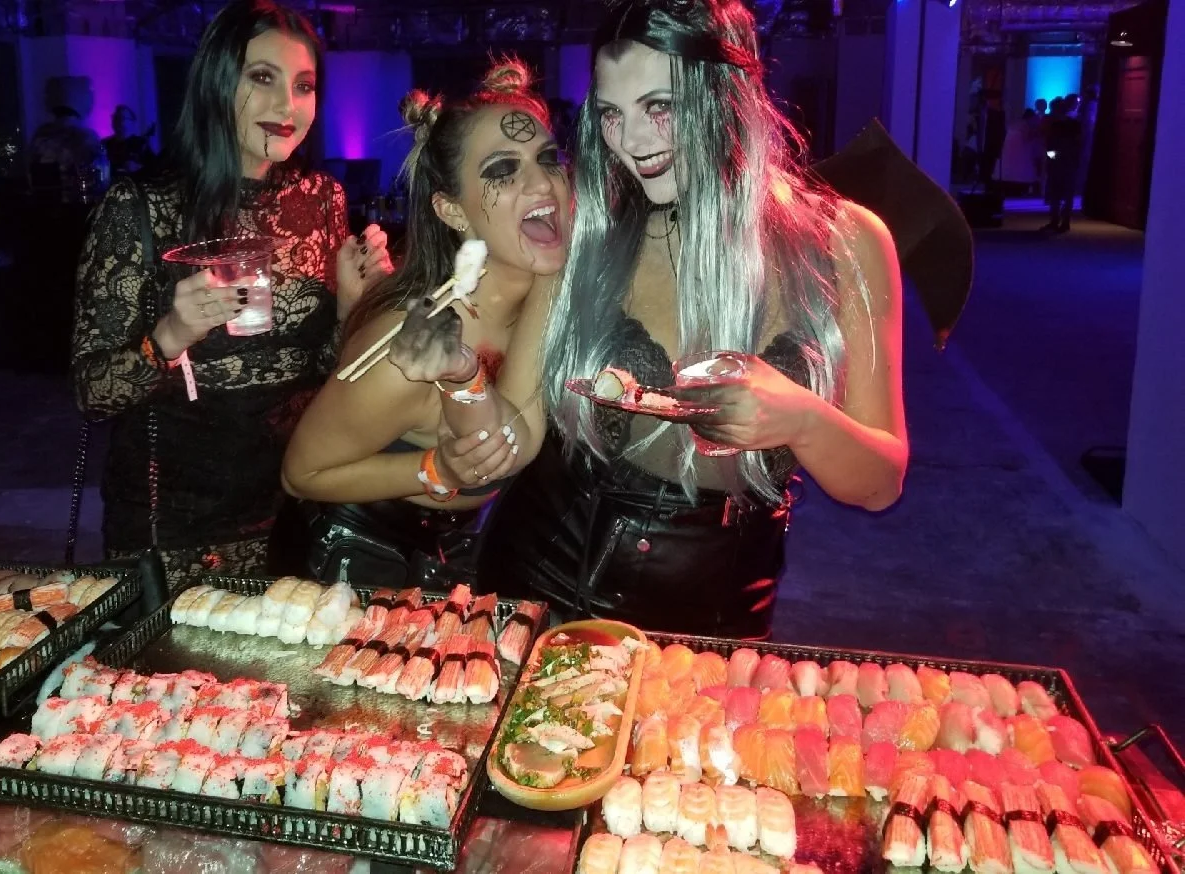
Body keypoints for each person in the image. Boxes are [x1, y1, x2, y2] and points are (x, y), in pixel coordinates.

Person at [438, 0, 908, 638]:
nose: (631, 142)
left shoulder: (845, 243)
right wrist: (463, 403)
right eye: (611, 114)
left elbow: (879, 483)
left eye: (659, 106)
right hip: (544, 581)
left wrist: (801, 417)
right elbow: (516, 431)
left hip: (714, 609)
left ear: (727, 93)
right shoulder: (594, 234)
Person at [72, 0, 392, 583]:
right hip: (172, 523)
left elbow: (326, 372)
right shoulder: (140, 207)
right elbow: (92, 393)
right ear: (218, 83)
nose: (286, 107)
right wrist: (170, 336)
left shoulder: (322, 200)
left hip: (295, 505)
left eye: (304, 86)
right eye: (262, 78)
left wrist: (353, 308)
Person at [271, 59, 569, 589]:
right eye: (503, 169)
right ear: (453, 211)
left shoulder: (545, 286)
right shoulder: (407, 348)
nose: (542, 181)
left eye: (549, 158)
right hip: (349, 558)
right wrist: (437, 470)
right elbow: (301, 474)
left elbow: (519, 437)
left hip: (452, 548)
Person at [27, 76, 109, 201]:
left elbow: (31, 174)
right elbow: (101, 179)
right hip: (77, 206)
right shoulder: (87, 137)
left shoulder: (39, 135)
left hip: (45, 208)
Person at [1043, 95, 1083, 233]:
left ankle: (1055, 221)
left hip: (1058, 163)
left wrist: (1051, 158)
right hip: (1069, 162)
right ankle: (1065, 222)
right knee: (1067, 194)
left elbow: (1050, 145)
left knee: (1055, 193)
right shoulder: (1075, 125)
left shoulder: (1055, 125)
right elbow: (1078, 144)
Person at [103, 105, 156, 178]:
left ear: (132, 122)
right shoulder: (104, 144)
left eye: (121, 118)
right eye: (115, 117)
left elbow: (155, 168)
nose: (117, 121)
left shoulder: (141, 143)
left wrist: (138, 167)